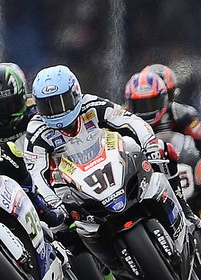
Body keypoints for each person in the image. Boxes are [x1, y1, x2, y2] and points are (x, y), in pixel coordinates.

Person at [22, 64, 169, 225]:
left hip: (110, 166)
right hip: (72, 188)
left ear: (75, 93)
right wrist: (53, 204)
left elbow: (130, 120)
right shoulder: (36, 129)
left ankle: (186, 213)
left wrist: (150, 146)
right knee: (59, 229)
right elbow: (35, 172)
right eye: (47, 105)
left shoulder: (91, 104)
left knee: (163, 150)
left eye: (61, 102)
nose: (56, 111)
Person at [126, 68, 201, 251]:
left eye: (153, 101)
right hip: (148, 176)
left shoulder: (182, 113)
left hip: (184, 168)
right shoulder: (124, 121)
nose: (147, 110)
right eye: (141, 105)